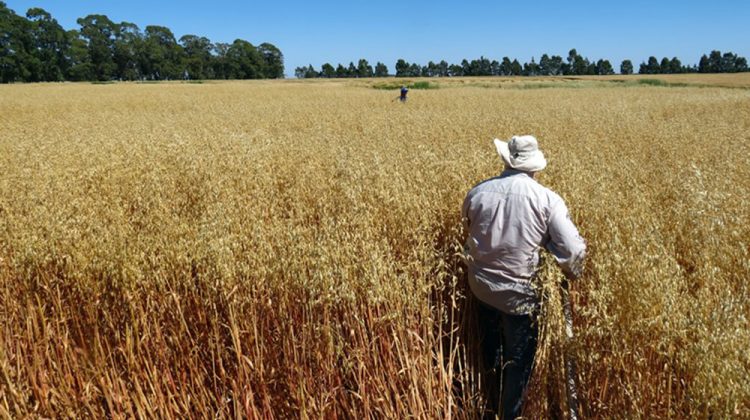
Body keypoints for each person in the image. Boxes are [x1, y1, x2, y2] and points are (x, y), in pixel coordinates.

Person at [461, 135, 586, 420]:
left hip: (480, 286)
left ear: (506, 160)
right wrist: (569, 271)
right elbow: (573, 249)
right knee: (518, 362)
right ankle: (508, 414)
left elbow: (467, 228)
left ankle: (488, 401)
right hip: (520, 297)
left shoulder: (478, 191)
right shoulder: (547, 199)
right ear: (535, 167)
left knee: (490, 346)